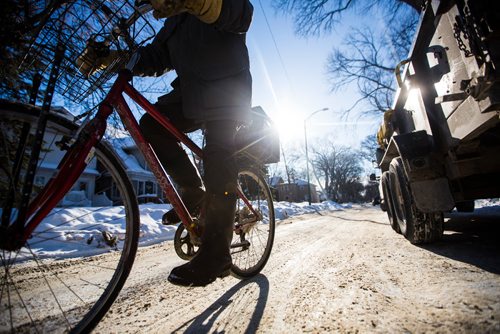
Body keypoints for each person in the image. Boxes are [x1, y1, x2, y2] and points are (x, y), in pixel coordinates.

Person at [79, 0, 254, 287]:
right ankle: (192, 191)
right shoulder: (174, 21)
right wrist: (115, 58)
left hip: (226, 89)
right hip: (190, 92)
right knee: (151, 125)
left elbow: (241, 15)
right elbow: (156, 57)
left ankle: (217, 253)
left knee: (218, 153)